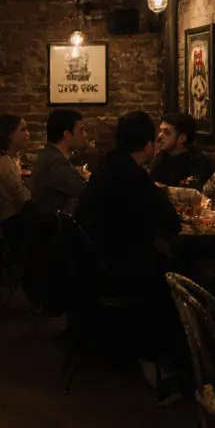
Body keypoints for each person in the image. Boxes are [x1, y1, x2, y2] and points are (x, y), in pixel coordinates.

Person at [78, 111, 184, 401]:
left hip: (93, 264)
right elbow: (170, 223)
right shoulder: (132, 176)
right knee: (181, 278)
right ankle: (163, 365)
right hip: (118, 272)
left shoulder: (107, 169)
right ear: (148, 146)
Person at [30, 108, 89, 216]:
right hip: (55, 228)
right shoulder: (56, 162)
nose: (85, 135)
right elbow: (85, 191)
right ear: (67, 134)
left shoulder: (51, 155)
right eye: (81, 130)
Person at [0, 114, 31, 239]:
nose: (28, 134)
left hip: (5, 220)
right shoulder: (5, 163)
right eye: (23, 130)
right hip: (12, 224)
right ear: (9, 135)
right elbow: (23, 199)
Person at [150, 112, 214, 189]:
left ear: (182, 138)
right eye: (160, 131)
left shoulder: (198, 162)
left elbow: (191, 192)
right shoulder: (162, 157)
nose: (159, 137)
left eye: (166, 132)